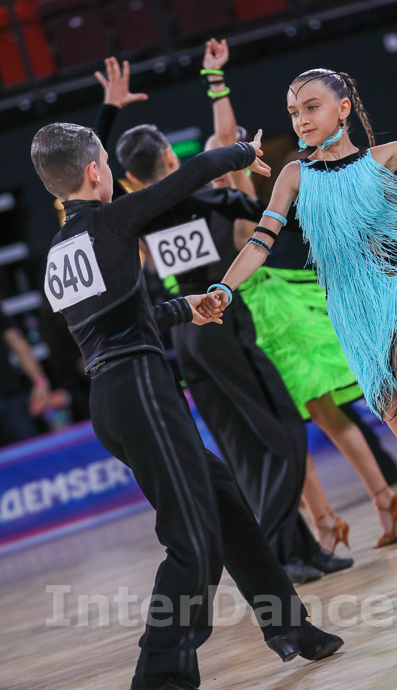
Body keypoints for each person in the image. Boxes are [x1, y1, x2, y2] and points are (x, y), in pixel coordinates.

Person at [31, 121, 343, 690]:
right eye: (106, 161)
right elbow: (191, 174)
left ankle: (290, 627)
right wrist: (243, 152)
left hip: (115, 397)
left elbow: (115, 326)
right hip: (143, 392)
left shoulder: (59, 251)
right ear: (96, 173)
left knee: (226, 505)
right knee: (193, 542)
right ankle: (158, 673)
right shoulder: (110, 220)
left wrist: (185, 307)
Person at [202, 68, 397, 625]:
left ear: (343, 108)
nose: (301, 119)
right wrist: (224, 288)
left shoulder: (381, 158)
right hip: (351, 323)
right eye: (294, 111)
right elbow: (259, 243)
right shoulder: (294, 175)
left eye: (312, 106)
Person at [95, 56, 351, 582]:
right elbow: (282, 223)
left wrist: (108, 112)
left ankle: (301, 550)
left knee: (243, 450)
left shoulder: (136, 217)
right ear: (172, 155)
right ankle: (279, 552)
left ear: (130, 178)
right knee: (285, 435)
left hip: (184, 341)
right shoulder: (216, 201)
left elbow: (88, 172)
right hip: (225, 326)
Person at [203, 39, 397, 553]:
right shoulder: (185, 200)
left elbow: (224, 136)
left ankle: (352, 509)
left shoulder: (231, 180)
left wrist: (216, 81)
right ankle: (345, 511)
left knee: (309, 414)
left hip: (268, 308)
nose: (213, 158)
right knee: (298, 419)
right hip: (237, 315)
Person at [0, 306, 51, 446]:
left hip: (9, 399)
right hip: (10, 400)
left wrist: (40, 382)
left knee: (31, 451)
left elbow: (17, 343)